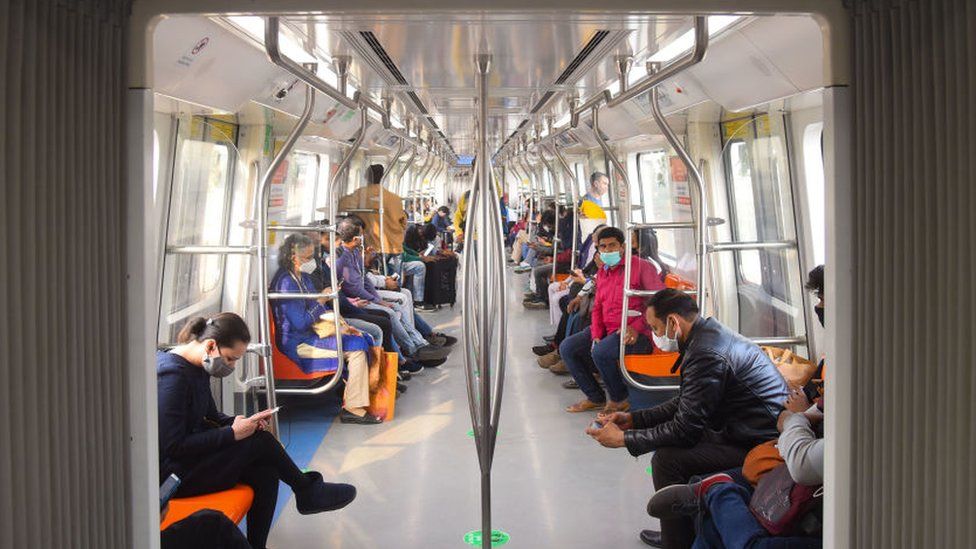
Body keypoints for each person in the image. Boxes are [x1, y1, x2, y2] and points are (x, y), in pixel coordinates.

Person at [588, 289, 789, 548]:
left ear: (673, 322)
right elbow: (687, 401)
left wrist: (624, 439)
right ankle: (679, 533)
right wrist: (634, 419)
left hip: (759, 443)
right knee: (669, 453)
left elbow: (685, 430)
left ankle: (678, 542)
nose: (656, 336)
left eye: (656, 328)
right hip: (741, 428)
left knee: (667, 460)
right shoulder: (708, 337)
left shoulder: (707, 352)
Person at [157, 313, 357, 549]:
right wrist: (233, 433)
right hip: (175, 475)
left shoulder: (198, 367)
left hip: (193, 462)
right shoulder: (172, 377)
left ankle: (258, 544)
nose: (231, 367)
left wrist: (238, 422)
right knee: (259, 442)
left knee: (266, 469)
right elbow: (173, 446)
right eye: (230, 359)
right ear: (211, 346)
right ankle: (307, 491)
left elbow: (212, 417)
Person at [270, 235, 382, 425]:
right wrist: (321, 300)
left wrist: (343, 327)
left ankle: (360, 391)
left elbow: (318, 312)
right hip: (297, 342)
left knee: (362, 336)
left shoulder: (303, 277)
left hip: (312, 332)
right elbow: (300, 322)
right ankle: (353, 408)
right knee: (356, 348)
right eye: (306, 258)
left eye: (311, 257)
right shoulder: (286, 283)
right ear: (292, 257)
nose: (310, 262)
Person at [561, 227, 665, 414]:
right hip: (609, 329)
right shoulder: (603, 272)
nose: (608, 251)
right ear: (598, 250)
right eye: (604, 247)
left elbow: (659, 302)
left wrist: (637, 328)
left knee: (600, 352)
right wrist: (595, 335)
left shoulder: (641, 267)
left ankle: (619, 398)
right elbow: (598, 307)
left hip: (637, 334)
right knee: (568, 348)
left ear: (622, 247)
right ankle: (595, 397)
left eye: (612, 246)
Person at [333, 218, 450, 363]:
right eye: (362, 235)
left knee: (399, 301)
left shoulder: (355, 253)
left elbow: (364, 280)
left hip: (365, 294)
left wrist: (377, 298)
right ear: (356, 238)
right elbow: (355, 288)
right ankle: (413, 349)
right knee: (391, 312)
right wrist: (378, 301)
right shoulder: (341, 259)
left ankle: (418, 343)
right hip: (357, 300)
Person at [338, 164, 408, 255]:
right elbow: (403, 224)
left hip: (371, 248)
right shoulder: (395, 199)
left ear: (366, 177)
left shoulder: (360, 195)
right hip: (393, 247)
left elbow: (341, 205)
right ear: (383, 177)